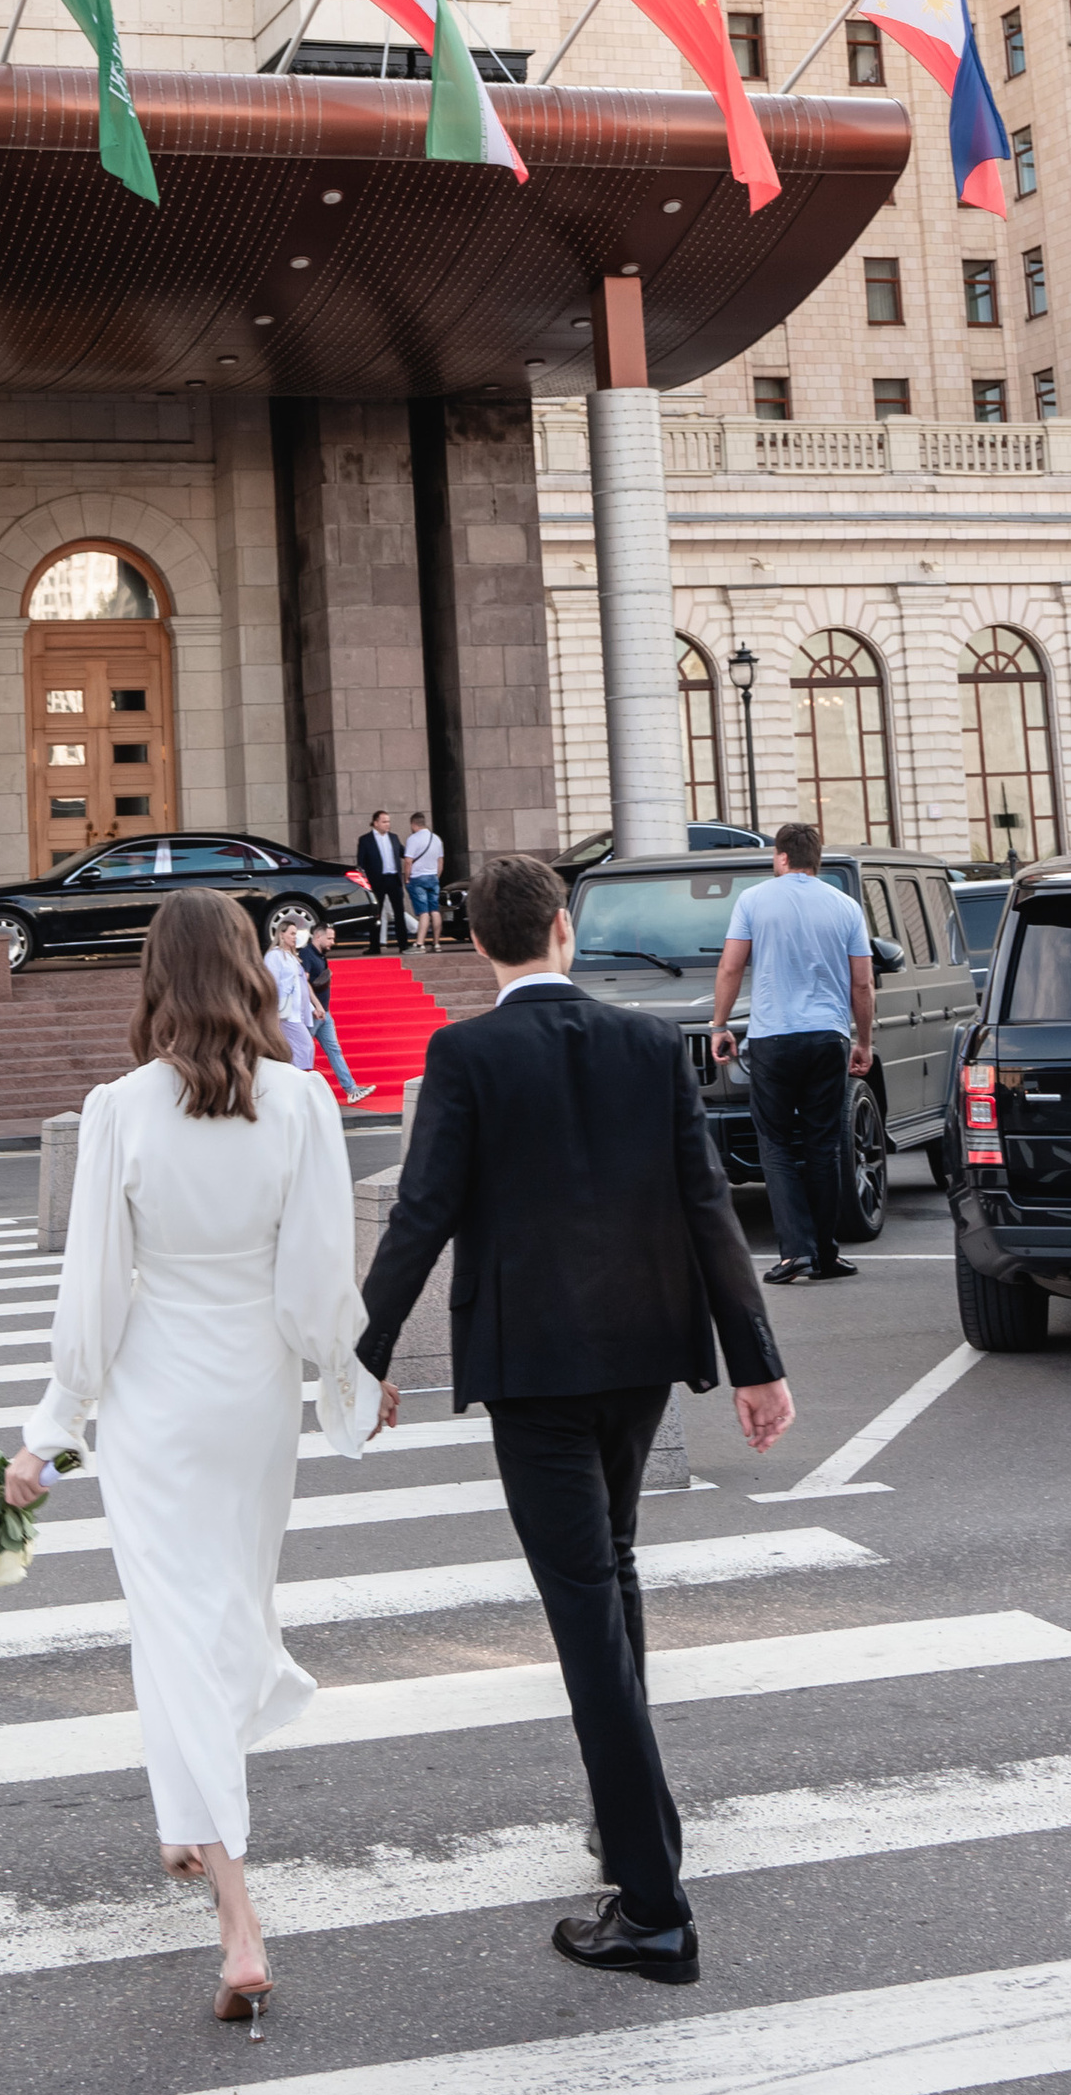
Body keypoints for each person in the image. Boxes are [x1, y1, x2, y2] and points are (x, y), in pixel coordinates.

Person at [357, 850, 791, 1988]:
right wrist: (757, 1363)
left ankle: (653, 1907)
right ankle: (628, 1820)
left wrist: (362, 1354)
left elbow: (421, 1214)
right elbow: (705, 1204)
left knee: (587, 1607)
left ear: (478, 942)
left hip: (534, 1366)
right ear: (564, 928)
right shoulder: (648, 1044)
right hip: (642, 1355)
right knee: (615, 1570)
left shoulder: (466, 1053)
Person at [5, 889, 384, 2029]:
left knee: (175, 1629)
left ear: (157, 977)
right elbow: (318, 1278)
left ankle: (238, 1916)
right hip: (255, 1393)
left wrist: (51, 1431)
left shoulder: (120, 1107)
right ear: (251, 969)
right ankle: (188, 1825)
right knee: (222, 1614)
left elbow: (94, 1291)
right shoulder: (303, 1100)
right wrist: (349, 1376)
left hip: (157, 1398)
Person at [711, 817, 874, 1288]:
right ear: (816, 860)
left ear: (781, 857)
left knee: (776, 1144)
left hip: (774, 1039)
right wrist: (863, 1041)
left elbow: (731, 967)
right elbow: (862, 983)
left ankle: (794, 1252)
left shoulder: (753, 900)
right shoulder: (845, 906)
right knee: (824, 1144)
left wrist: (720, 1025)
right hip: (828, 1037)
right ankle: (824, 1253)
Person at [297, 921, 371, 1105]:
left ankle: (351, 1089)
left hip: (323, 1013)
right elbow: (303, 983)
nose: (332, 942)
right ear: (318, 936)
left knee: (334, 1050)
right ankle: (296, 1092)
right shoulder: (307, 953)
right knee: (302, 1053)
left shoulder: (320, 955)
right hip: (314, 1014)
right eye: (329, 938)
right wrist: (315, 1006)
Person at [263, 912, 320, 1071]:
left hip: (295, 1011)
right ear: (281, 934)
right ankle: (299, 1075)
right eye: (292, 933)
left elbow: (301, 985)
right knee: (305, 1045)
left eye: (296, 934)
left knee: (298, 1047)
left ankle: (296, 1075)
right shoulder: (274, 956)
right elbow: (271, 983)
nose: (295, 937)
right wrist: (274, 1009)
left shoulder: (292, 957)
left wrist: (312, 1007)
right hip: (285, 1012)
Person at [356, 809, 407, 949]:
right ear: (376, 823)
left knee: (399, 913)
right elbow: (361, 863)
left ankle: (403, 944)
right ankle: (374, 946)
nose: (387, 824)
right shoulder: (365, 840)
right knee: (376, 914)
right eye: (384, 822)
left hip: (394, 879)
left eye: (388, 821)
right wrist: (365, 882)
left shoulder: (394, 838)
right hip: (377, 881)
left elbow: (404, 853)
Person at [404, 811, 446, 952]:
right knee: (435, 910)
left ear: (413, 824)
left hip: (418, 878)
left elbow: (408, 861)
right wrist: (436, 876)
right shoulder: (436, 839)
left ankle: (420, 943)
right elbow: (440, 862)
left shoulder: (413, 839)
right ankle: (436, 943)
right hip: (433, 877)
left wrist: (407, 877)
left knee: (423, 912)